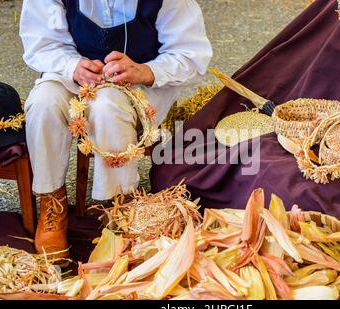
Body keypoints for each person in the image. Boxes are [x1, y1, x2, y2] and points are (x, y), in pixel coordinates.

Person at [19, 0, 212, 259]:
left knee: (107, 105)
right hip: (70, 76)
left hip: (139, 85)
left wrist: (145, 70)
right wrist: (72, 66)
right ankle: (52, 205)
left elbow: (190, 53)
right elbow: (41, 42)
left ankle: (116, 206)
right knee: (43, 102)